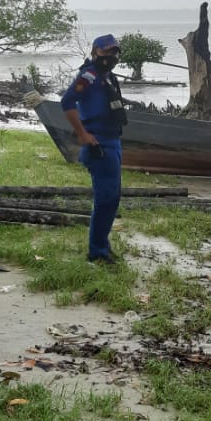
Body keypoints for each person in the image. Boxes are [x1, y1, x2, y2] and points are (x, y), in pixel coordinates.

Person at [61, 34, 128, 264]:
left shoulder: (108, 77)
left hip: (113, 141)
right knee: (105, 198)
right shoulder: (88, 76)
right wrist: (82, 134)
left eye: (113, 52)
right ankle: (97, 252)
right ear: (95, 52)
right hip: (99, 143)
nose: (110, 56)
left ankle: (102, 245)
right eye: (105, 52)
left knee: (112, 198)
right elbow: (67, 102)